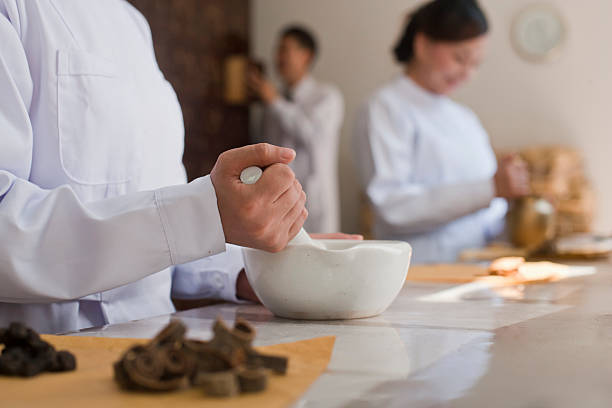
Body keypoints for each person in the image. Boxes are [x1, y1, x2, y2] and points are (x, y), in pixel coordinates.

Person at [0, 0, 317, 334]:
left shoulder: (133, 23)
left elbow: (163, 240)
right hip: (42, 358)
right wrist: (201, 213)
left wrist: (255, 268)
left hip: (158, 355)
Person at [354, 0, 530, 264]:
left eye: (476, 64)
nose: (467, 73)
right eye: (460, 58)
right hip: (419, 276)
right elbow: (393, 207)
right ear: (423, 45)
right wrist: (490, 188)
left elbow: (488, 211)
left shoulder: (465, 118)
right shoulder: (385, 108)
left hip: (477, 274)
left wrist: (520, 207)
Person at [249, 25, 344, 233]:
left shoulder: (327, 97)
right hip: (277, 204)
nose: (278, 57)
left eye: (285, 50)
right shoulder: (271, 105)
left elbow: (311, 135)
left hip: (315, 206)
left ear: (306, 56)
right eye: (277, 50)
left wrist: (275, 101)